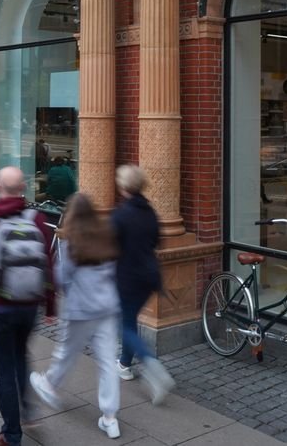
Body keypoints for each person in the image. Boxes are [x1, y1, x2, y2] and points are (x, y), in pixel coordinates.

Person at [0, 166, 56, 446]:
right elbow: (49, 265)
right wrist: (51, 306)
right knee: (21, 355)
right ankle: (28, 411)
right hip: (29, 306)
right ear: (24, 188)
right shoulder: (37, 219)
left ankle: (11, 435)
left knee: (4, 370)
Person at [29, 193, 123, 439]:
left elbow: (61, 278)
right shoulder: (107, 240)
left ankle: (50, 384)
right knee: (107, 361)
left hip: (80, 309)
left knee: (66, 352)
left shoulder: (71, 245)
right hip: (107, 307)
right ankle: (110, 418)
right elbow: (115, 273)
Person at [112, 164, 175, 405]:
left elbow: (109, 248)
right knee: (129, 320)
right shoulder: (150, 212)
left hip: (128, 278)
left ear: (123, 186)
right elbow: (157, 242)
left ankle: (154, 367)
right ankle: (124, 365)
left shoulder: (120, 215)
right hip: (149, 277)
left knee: (125, 327)